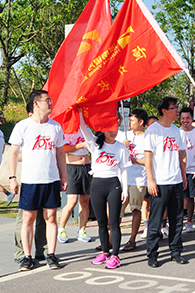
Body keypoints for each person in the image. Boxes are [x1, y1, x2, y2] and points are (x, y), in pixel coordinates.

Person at [8, 90, 67, 271]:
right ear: (36, 103)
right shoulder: (23, 126)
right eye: (47, 100)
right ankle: (27, 257)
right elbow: (13, 153)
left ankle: (51, 254)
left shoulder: (55, 127)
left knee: (51, 218)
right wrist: (12, 178)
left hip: (50, 180)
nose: (50, 103)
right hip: (30, 180)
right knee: (28, 219)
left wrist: (63, 176)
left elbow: (60, 153)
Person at [78, 111, 130, 269]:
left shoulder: (121, 147)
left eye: (115, 129)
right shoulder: (94, 143)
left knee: (113, 222)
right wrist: (80, 112)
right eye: (109, 129)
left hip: (113, 185)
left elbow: (124, 170)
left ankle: (115, 255)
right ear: (103, 129)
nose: (113, 132)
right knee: (101, 222)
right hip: (96, 184)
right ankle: (105, 252)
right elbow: (82, 127)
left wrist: (125, 190)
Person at [144, 96, 188, 268]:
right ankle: (152, 254)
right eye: (174, 107)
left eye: (177, 107)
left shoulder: (177, 131)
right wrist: (151, 180)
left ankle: (176, 252)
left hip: (176, 181)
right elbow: (148, 156)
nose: (177, 110)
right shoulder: (153, 130)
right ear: (164, 111)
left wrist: (183, 175)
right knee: (155, 221)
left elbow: (181, 155)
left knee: (176, 220)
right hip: (159, 182)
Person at [119, 108, 149, 250]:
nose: (129, 123)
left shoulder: (147, 138)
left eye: (132, 120)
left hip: (138, 180)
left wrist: (135, 160)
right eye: (129, 120)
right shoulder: (124, 137)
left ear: (141, 122)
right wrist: (122, 147)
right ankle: (112, 239)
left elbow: (151, 161)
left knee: (136, 210)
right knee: (115, 211)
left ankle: (132, 239)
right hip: (122, 179)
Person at [57, 129, 93, 244]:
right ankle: (61, 229)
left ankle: (82, 230)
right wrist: (80, 145)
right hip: (72, 167)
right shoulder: (68, 131)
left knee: (85, 201)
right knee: (72, 201)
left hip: (86, 167)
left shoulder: (87, 131)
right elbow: (64, 149)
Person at [179, 107, 195, 232]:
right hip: (179, 171)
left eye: (188, 118)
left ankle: (189, 222)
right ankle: (178, 222)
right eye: (183, 118)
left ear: (192, 119)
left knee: (190, 198)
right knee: (179, 198)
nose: (185, 121)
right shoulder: (177, 132)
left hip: (192, 170)